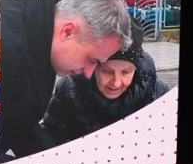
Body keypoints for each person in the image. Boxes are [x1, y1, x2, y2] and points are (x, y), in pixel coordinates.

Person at [0, 0, 132, 159]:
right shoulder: (2, 46)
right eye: (91, 60)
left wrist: (59, 163)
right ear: (68, 32)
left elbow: (20, 122)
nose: (89, 73)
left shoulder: (42, 36)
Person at [37, 19, 170, 146]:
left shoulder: (156, 93)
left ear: (136, 69)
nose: (116, 82)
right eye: (107, 71)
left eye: (126, 72)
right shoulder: (70, 90)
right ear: (93, 67)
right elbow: (51, 136)